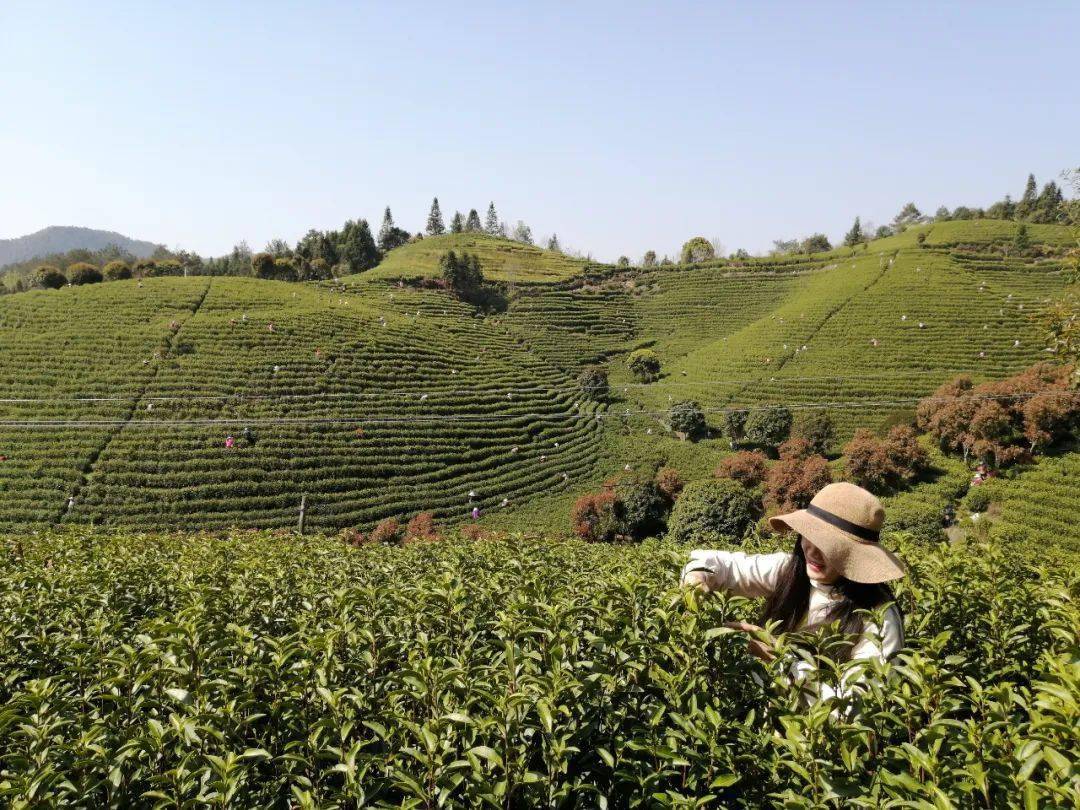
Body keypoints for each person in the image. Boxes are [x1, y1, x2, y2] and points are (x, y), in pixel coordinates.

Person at [682, 482, 906, 708]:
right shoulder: (792, 571)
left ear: (855, 556)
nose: (812, 551)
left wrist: (779, 658)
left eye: (829, 546)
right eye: (809, 535)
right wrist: (696, 580)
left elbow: (858, 710)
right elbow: (723, 566)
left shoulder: (880, 618)